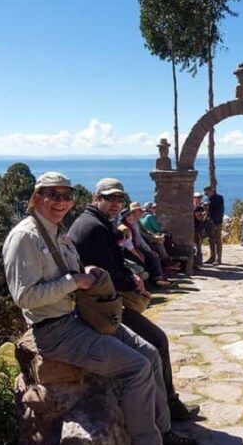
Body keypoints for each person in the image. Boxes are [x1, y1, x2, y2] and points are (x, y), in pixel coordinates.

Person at [2, 172, 194, 445]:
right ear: (37, 197)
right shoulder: (25, 237)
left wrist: (86, 272)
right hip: (56, 330)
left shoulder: (55, 230)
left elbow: (71, 270)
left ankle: (163, 431)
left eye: (66, 196)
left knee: (151, 353)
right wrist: (74, 282)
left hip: (82, 317)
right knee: (136, 367)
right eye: (53, 195)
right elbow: (25, 297)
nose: (61, 201)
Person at [69, 178, 200, 424]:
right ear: (96, 198)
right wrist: (133, 284)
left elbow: (112, 266)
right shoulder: (94, 228)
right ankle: (169, 408)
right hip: (101, 308)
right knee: (157, 341)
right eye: (109, 198)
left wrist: (130, 277)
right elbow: (106, 274)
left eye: (120, 198)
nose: (116, 203)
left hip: (100, 302)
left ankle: (168, 405)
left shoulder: (94, 223)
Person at [120, 203, 171, 288]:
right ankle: (157, 278)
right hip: (131, 249)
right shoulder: (128, 227)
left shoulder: (135, 222)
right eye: (138, 211)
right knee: (152, 256)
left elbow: (145, 233)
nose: (140, 212)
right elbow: (136, 240)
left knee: (156, 251)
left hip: (136, 246)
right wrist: (148, 248)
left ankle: (161, 274)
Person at [203, 185, 224, 265]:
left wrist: (215, 221)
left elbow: (219, 210)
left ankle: (218, 259)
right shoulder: (208, 199)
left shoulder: (218, 198)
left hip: (217, 222)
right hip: (210, 222)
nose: (206, 194)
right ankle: (212, 257)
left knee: (217, 240)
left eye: (207, 192)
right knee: (211, 240)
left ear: (211, 191)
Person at [192, 193, 205, 267]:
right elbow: (199, 218)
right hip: (196, 228)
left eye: (199, 197)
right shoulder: (199, 208)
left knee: (196, 245)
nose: (198, 199)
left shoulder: (192, 206)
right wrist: (203, 214)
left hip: (195, 227)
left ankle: (197, 262)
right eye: (197, 197)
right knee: (197, 245)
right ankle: (198, 262)